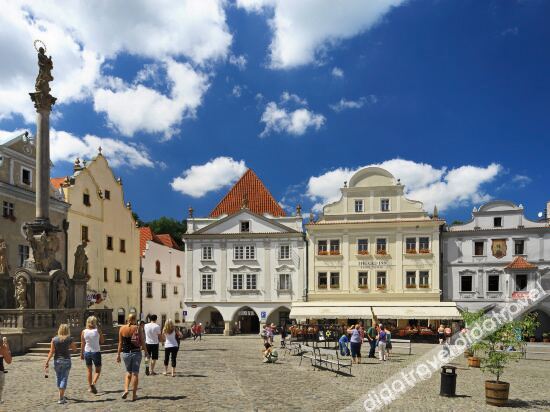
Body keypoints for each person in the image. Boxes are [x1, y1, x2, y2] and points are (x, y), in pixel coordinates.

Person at [117, 313, 147, 401]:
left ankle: (126, 390)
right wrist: (146, 352)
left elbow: (120, 343)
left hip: (126, 353)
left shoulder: (122, 328)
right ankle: (134, 395)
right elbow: (142, 341)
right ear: (134, 319)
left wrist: (118, 354)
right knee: (135, 373)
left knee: (128, 372)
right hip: (136, 353)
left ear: (128, 319)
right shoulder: (137, 328)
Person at [44, 324, 77, 404]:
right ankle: (61, 398)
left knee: (58, 377)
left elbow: (51, 352)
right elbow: (75, 349)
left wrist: (47, 361)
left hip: (57, 361)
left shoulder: (54, 339)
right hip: (66, 360)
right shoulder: (69, 339)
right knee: (64, 378)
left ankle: (61, 394)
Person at [80, 316, 105, 394]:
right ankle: (93, 383)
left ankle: (90, 387)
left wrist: (81, 353)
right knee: (98, 370)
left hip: (87, 352)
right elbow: (102, 341)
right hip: (96, 351)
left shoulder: (84, 331)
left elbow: (82, 343)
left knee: (89, 371)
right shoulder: (97, 330)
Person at [0, 334, 12, 404]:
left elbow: (8, 361)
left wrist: (7, 350)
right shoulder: (2, 348)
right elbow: (9, 361)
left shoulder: (2, 348)